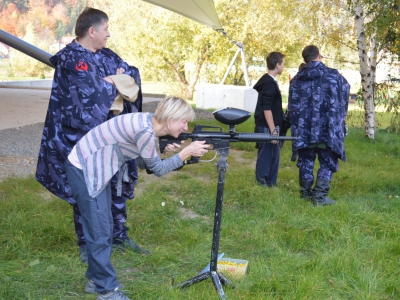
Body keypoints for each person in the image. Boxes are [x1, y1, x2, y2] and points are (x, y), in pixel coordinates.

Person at [64, 96, 210, 300]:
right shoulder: (145, 131)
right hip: (85, 169)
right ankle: (107, 292)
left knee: (104, 228)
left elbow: (144, 162)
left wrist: (161, 150)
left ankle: (95, 280)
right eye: (183, 121)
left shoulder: (148, 123)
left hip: (95, 168)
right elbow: (157, 169)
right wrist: (185, 153)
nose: (186, 126)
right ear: (170, 117)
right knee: (99, 232)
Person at [35, 7, 148, 264]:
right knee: (87, 190)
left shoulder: (107, 55)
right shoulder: (72, 59)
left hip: (113, 137)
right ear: (92, 31)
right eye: (106, 29)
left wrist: (114, 80)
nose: (109, 34)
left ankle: (118, 235)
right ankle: (87, 244)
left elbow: (132, 74)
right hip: (80, 140)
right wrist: (114, 82)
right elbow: (91, 96)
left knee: (117, 183)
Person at [288, 45, 350, 206]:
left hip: (304, 129)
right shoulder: (334, 76)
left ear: (305, 59)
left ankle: (306, 194)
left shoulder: (296, 80)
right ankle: (320, 198)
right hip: (327, 129)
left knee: (306, 159)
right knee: (327, 160)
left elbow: (292, 108)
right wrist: (339, 119)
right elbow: (344, 97)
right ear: (319, 56)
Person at [253, 51, 285, 187]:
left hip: (272, 125)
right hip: (267, 127)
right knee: (266, 155)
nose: (284, 67)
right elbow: (267, 109)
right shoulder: (269, 84)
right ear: (277, 65)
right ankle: (261, 183)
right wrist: (273, 130)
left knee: (274, 155)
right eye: (283, 64)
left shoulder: (270, 82)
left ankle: (271, 184)